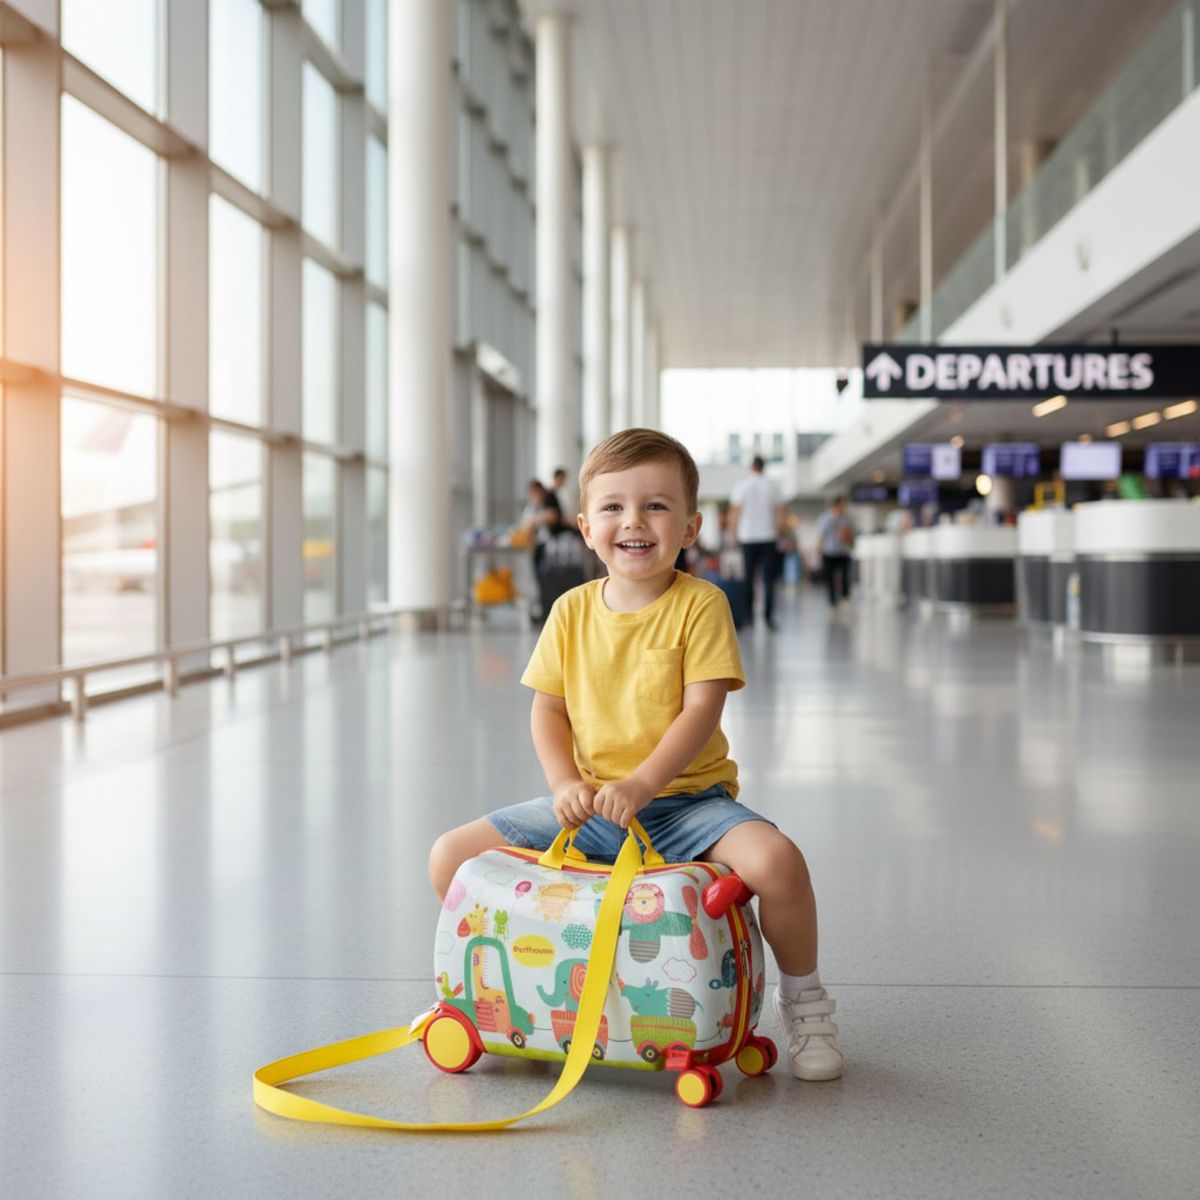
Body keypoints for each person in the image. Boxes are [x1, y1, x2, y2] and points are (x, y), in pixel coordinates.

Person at [429, 428, 843, 1082]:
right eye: (615, 507)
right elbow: (548, 708)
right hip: (590, 804)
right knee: (450, 857)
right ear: (587, 526)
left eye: (656, 505)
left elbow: (701, 708)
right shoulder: (568, 611)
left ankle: (806, 1003)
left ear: (689, 527)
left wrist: (646, 783)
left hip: (687, 804)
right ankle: (518, 990)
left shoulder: (700, 604)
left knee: (780, 864)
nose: (635, 520)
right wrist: (563, 781)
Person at [728, 455, 785, 630]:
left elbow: (735, 513)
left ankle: (748, 618)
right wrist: (780, 534)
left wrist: (732, 536)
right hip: (769, 537)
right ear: (763, 467)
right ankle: (768, 618)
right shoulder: (772, 486)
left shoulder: (742, 485)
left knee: (748, 579)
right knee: (768, 580)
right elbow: (782, 513)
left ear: (751, 467)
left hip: (748, 538)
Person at [816, 496, 855, 609]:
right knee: (830, 578)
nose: (842, 508)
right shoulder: (824, 518)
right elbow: (820, 535)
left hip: (843, 552)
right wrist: (818, 550)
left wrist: (850, 541)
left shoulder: (847, 519)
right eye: (840, 505)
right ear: (834, 505)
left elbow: (851, 535)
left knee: (845, 576)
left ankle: (845, 597)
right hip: (828, 552)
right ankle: (832, 601)